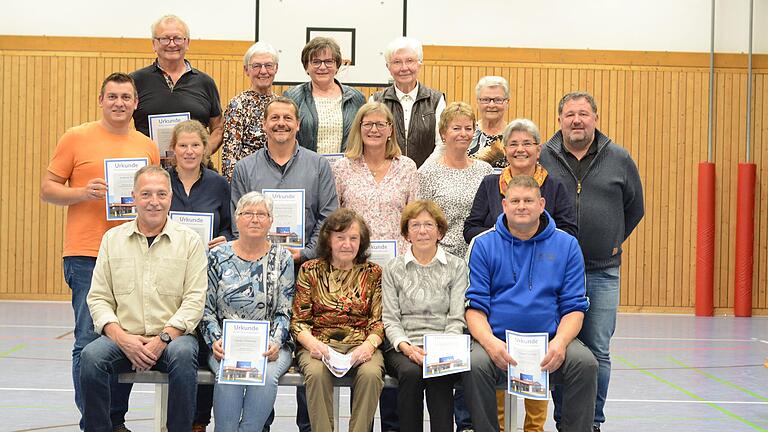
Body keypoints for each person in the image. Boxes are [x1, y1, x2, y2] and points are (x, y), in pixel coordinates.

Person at [39, 72, 160, 431]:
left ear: (136, 103)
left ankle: (114, 419)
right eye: (112, 96)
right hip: (87, 253)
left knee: (126, 339)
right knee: (89, 340)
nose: (119, 103)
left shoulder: (146, 145)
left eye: (126, 97)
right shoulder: (76, 137)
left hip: (134, 252)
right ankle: (93, 421)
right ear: (101, 100)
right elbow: (47, 189)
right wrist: (81, 193)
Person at [230, 96, 338, 432]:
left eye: (287, 118)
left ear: (297, 124)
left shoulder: (318, 165)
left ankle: (308, 425)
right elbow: (239, 218)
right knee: (264, 346)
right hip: (258, 270)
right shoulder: (246, 168)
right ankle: (261, 424)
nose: (281, 123)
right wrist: (265, 250)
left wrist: (304, 253)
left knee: (306, 344)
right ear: (264, 124)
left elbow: (328, 216)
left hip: (306, 269)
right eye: (274, 117)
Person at [539, 92, 644, 432]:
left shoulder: (619, 158)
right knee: (557, 347)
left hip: (602, 271)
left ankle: (592, 422)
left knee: (598, 350)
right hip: (553, 271)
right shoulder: (544, 157)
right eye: (570, 114)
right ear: (560, 120)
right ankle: (563, 420)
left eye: (583, 113)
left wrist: (610, 241)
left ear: (595, 118)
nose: (577, 120)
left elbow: (634, 208)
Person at [463, 175, 598, 432]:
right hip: (497, 341)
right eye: (515, 200)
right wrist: (491, 344)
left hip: (549, 341)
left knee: (586, 364)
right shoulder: (482, 244)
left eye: (528, 200)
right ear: (504, 205)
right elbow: (475, 308)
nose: (521, 206)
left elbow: (574, 308)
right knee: (476, 364)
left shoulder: (567, 245)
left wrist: (559, 343)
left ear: (542, 204)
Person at [80, 165, 207, 432]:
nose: (154, 202)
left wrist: (163, 340)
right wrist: (121, 337)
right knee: (91, 357)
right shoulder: (112, 240)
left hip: (172, 339)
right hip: (125, 337)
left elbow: (195, 301)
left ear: (170, 198)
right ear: (134, 197)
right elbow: (99, 298)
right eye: (146, 194)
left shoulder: (190, 241)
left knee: (184, 355)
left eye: (161, 194)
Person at [201, 191, 295, 432]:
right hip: (225, 343)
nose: (255, 219)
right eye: (248, 213)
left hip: (270, 346)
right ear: (236, 219)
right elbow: (206, 309)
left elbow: (285, 310)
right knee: (228, 375)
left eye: (262, 214)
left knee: (265, 376)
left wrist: (275, 341)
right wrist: (215, 340)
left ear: (271, 221)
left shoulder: (282, 257)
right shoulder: (217, 256)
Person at [291, 208, 385, 432]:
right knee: (315, 373)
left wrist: (368, 346)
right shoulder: (310, 270)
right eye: (340, 237)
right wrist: (314, 345)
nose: (347, 244)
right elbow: (299, 321)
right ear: (328, 240)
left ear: (361, 242)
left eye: (353, 238)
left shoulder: (373, 272)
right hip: (318, 343)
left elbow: (378, 321)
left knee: (371, 375)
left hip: (360, 343)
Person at [167, 119, 231, 431]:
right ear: (173, 149)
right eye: (183, 145)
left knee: (205, 346)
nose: (190, 151)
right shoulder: (163, 182)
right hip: (169, 276)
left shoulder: (218, 184)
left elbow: (231, 227)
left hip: (207, 277)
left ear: (205, 148)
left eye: (196, 145)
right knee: (178, 347)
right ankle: (175, 418)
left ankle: (199, 421)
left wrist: (222, 239)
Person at [381, 200, 468, 432]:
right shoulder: (392, 268)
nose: (422, 231)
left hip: (443, 344)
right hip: (403, 346)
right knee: (410, 373)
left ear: (439, 232)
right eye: (415, 225)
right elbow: (390, 318)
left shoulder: (457, 267)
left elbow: (456, 316)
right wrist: (407, 347)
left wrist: (442, 350)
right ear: (406, 234)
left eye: (429, 225)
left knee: (439, 373)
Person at [464, 118, 577, 242]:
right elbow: (470, 230)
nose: (520, 149)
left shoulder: (555, 186)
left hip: (543, 258)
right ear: (505, 151)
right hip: (499, 259)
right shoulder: (489, 184)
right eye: (513, 144)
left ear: (538, 150)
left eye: (527, 143)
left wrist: (531, 236)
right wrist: (505, 235)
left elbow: (569, 231)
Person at [332, 102, 419, 254]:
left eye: (380, 124)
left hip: (397, 259)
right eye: (367, 124)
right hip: (354, 257)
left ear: (390, 129)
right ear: (359, 128)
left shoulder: (407, 167)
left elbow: (414, 218)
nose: (374, 130)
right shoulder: (342, 168)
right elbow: (334, 218)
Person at [131, 15, 224, 154]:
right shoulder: (135, 81)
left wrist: (202, 154)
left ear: (187, 43)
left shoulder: (206, 83)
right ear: (154, 44)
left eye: (178, 38)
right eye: (164, 38)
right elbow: (120, 125)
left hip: (194, 170)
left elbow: (218, 128)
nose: (172, 44)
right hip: (149, 171)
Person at [418, 102, 493, 259]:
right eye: (456, 128)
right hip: (440, 259)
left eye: (468, 128)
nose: (463, 133)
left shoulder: (486, 171)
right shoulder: (427, 173)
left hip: (479, 257)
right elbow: (420, 220)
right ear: (444, 133)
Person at [371, 37, 446, 168]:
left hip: (425, 176)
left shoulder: (436, 100)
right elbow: (371, 143)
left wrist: (422, 171)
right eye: (397, 62)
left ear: (419, 63)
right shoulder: (376, 101)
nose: (404, 68)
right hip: (386, 179)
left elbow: (442, 143)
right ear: (388, 67)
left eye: (410, 61)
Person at [284, 37, 365, 154]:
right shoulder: (293, 97)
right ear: (306, 66)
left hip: (346, 169)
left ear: (337, 65)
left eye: (328, 61)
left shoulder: (356, 98)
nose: (322, 67)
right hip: (306, 168)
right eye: (316, 62)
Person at [221, 41, 279, 181]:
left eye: (268, 65)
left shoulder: (281, 104)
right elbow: (230, 155)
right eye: (256, 66)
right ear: (246, 70)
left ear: (276, 68)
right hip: (249, 181)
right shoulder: (238, 104)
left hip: (278, 179)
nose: (263, 71)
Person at [469, 76, 510, 168]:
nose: (491, 105)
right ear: (477, 102)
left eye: (498, 100)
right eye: (485, 100)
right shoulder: (466, 133)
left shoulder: (515, 135)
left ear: (507, 103)